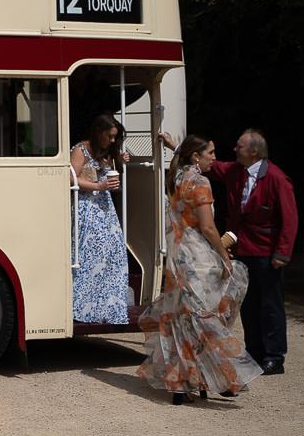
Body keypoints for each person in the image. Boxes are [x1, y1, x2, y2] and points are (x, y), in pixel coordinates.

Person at [137, 136, 262, 404]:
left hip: (177, 255)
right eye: (211, 153)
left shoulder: (176, 178)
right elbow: (207, 227)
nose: (214, 158)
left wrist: (175, 146)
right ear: (196, 156)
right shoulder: (201, 182)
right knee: (211, 311)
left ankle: (182, 384)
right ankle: (221, 377)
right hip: (197, 257)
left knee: (182, 319)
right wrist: (223, 254)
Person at [174, 128, 297, 374]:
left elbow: (290, 217)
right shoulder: (236, 171)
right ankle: (254, 351)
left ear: (253, 151)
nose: (234, 149)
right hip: (242, 247)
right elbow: (207, 162)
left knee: (271, 304)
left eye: (239, 146)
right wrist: (174, 147)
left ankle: (275, 356)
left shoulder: (276, 178)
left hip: (266, 250)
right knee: (248, 303)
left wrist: (282, 253)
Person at [70, 113, 132, 325]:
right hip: (87, 207)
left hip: (105, 208)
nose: (113, 141)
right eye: (110, 136)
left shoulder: (105, 153)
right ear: (99, 133)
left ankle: (105, 304)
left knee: (112, 254)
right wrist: (98, 186)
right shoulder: (81, 150)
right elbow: (70, 176)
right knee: (89, 255)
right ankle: (83, 305)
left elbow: (109, 175)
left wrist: (120, 163)